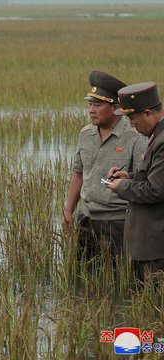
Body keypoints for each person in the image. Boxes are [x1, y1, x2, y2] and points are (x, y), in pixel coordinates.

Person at [62, 70, 146, 264]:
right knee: (84, 275)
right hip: (86, 218)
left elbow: (144, 180)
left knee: (118, 279)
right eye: (90, 104)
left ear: (116, 108)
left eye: (98, 105)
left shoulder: (134, 137)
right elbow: (78, 173)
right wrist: (69, 209)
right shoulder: (85, 134)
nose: (91, 109)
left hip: (118, 223)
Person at [106, 82, 164, 282]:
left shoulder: (162, 141)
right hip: (150, 246)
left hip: (156, 248)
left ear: (148, 114)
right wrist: (129, 177)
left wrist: (121, 187)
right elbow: (155, 177)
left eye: (132, 118)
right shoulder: (156, 136)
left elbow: (155, 190)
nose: (131, 124)